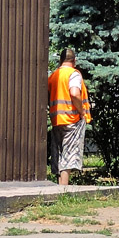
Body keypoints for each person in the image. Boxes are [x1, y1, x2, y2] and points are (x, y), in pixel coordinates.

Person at [47, 48, 92, 186]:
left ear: (60, 60)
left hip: (56, 120)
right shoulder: (74, 74)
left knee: (59, 154)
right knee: (69, 154)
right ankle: (63, 190)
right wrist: (82, 111)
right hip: (71, 119)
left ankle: (59, 186)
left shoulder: (54, 75)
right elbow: (74, 93)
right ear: (74, 61)